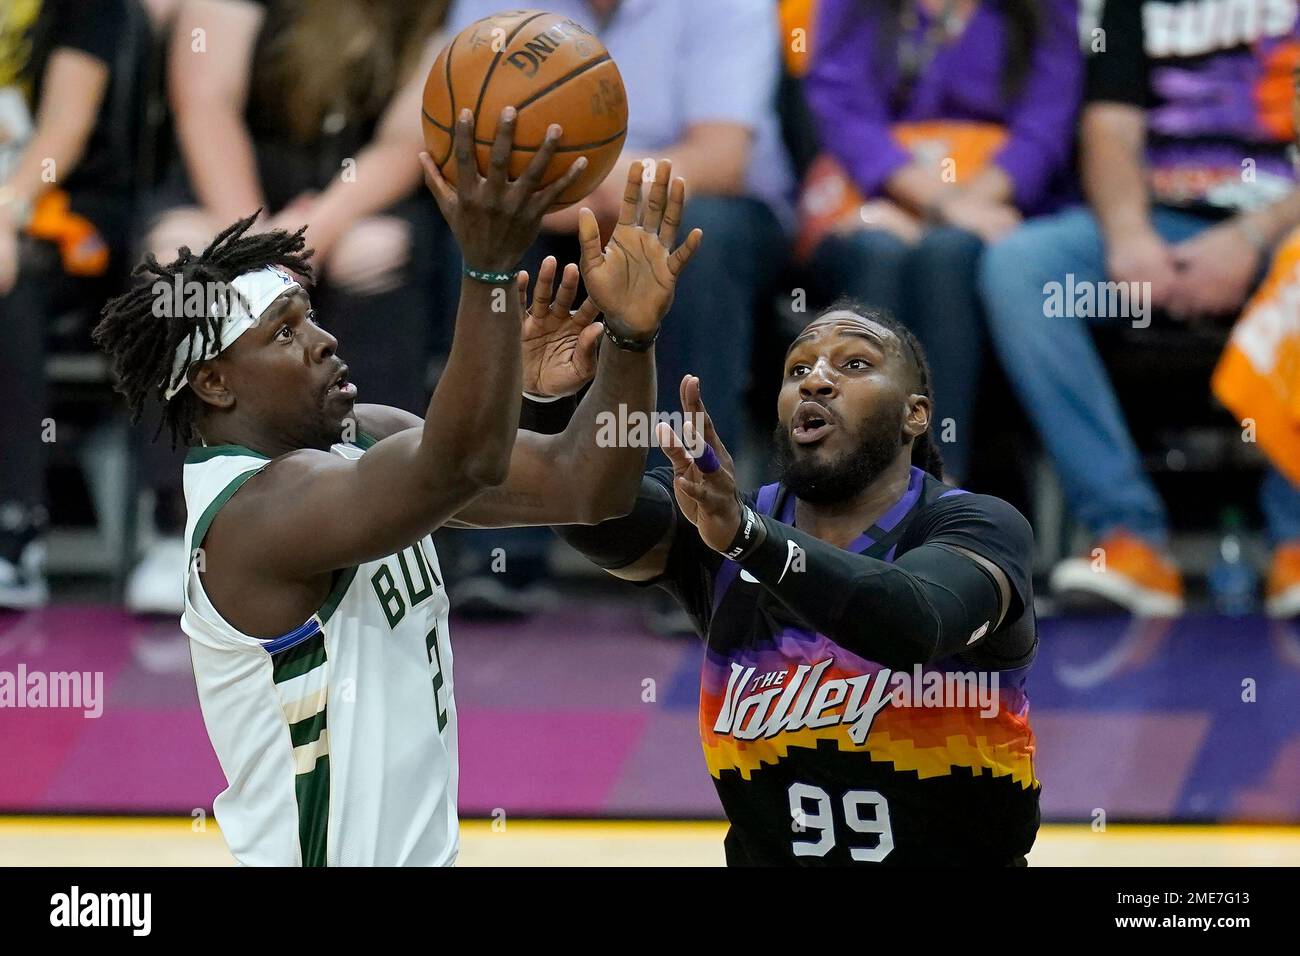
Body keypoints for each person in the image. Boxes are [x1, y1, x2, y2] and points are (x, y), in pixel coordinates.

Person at [92, 108, 702, 865]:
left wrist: (628, 338)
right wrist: (487, 268)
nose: (323, 340)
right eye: (284, 332)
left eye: (310, 316)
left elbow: (588, 486)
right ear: (215, 383)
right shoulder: (251, 519)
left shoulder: (367, 437)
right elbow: (455, 463)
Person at [552, 301, 1040, 865]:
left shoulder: (977, 525)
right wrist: (546, 402)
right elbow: (587, 507)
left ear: (915, 414)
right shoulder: (717, 525)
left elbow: (915, 621)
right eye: (798, 369)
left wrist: (746, 539)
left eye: (855, 364)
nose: (818, 380)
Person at [441, 0, 794, 618]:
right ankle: (503, 541)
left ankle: (694, 537)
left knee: (699, 239)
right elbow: (457, 146)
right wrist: (554, 198)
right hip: (551, 206)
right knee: (487, 228)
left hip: (700, 204)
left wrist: (583, 187)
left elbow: (721, 157)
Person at [124, 0, 449, 614]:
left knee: (381, 253)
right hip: (229, 191)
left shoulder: (434, 14)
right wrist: (255, 253)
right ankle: (179, 520)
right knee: (181, 266)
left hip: (345, 202)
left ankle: (376, 511)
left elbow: (409, 141)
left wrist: (311, 235)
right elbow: (205, 105)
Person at [980, 0, 1300, 617]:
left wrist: (1252, 237)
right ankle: (1128, 536)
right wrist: (1129, 239)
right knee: (1022, 267)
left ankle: (1296, 538)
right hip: (1159, 227)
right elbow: (1109, 129)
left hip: (1281, 233)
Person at [801, 0, 1081, 482]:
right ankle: (856, 482)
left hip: (997, 209)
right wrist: (937, 206)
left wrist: (961, 213)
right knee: (879, 254)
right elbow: (841, 107)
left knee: (947, 255)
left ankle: (937, 487)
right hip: (870, 202)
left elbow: (1046, 125)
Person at [0, 0, 137, 608]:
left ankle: (14, 528)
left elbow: (65, 128)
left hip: (64, 207)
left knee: (10, 275)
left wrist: (6, 213)